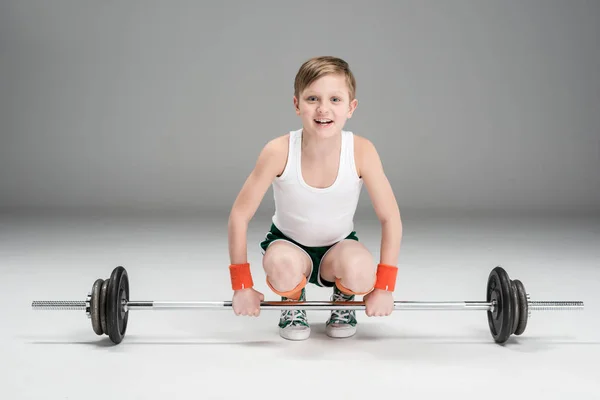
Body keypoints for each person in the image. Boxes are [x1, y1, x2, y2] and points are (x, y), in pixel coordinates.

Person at [227, 56, 402, 340]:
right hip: (288, 247)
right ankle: (292, 299)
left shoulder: (362, 151)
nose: (323, 109)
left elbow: (390, 217)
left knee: (361, 268)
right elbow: (239, 215)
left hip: (338, 250)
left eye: (335, 99)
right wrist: (242, 285)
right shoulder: (278, 150)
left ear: (351, 107)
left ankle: (343, 300)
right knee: (283, 266)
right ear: (296, 105)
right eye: (312, 99)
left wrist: (384, 287)